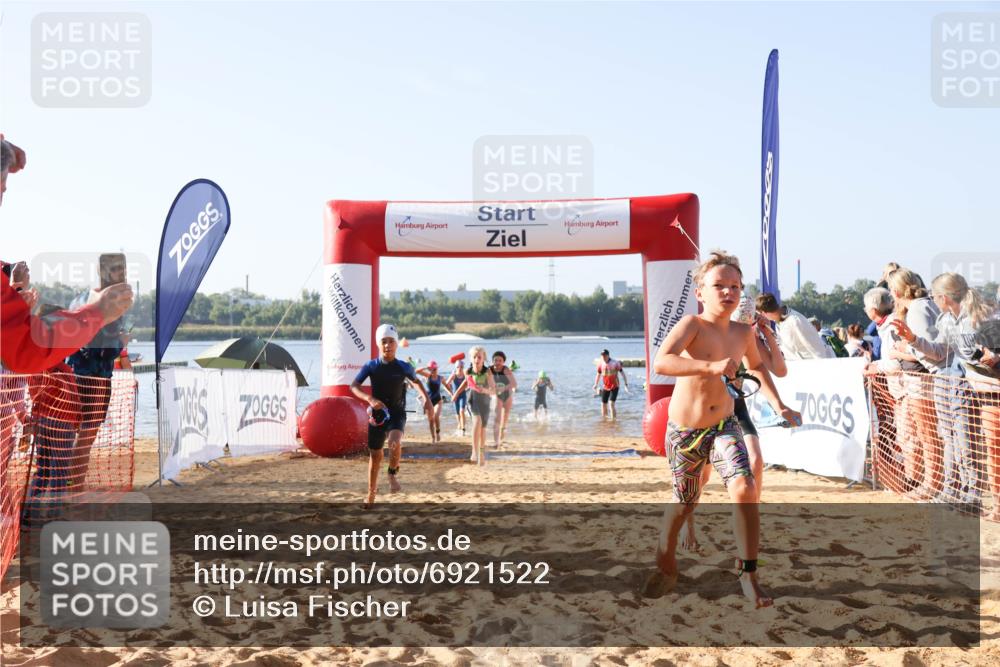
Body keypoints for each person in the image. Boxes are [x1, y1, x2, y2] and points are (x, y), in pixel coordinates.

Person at [645, 251, 800, 609]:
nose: (728, 292)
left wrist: (779, 406)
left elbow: (759, 368)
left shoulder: (743, 332)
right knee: (685, 502)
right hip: (684, 431)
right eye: (719, 286)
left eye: (734, 286)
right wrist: (711, 366)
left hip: (723, 425)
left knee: (745, 486)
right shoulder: (692, 325)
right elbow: (662, 362)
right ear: (701, 291)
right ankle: (665, 550)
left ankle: (749, 575)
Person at [0, 137, 134, 373]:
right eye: (1, 189)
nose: (2, 200)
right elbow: (27, 347)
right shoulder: (85, 301)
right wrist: (97, 313)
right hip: (82, 376)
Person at [682, 295, 788, 551]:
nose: (743, 327)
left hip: (736, 406)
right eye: (741, 322)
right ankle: (688, 523)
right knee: (701, 476)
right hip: (707, 408)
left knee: (756, 461)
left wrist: (767, 334)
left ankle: (751, 520)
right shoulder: (707, 331)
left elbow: (779, 370)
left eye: (748, 322)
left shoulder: (748, 335)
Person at [891, 273, 992, 508]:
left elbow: (974, 354)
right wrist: (914, 339)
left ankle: (972, 493)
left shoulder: (974, 319)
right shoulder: (946, 320)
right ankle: (950, 489)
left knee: (965, 441)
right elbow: (938, 352)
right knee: (948, 440)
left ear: (944, 297)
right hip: (944, 384)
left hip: (963, 385)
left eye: (935, 297)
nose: (932, 301)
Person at [350, 324, 433, 508]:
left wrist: (426, 399)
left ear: (397, 344)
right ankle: (371, 493)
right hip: (377, 415)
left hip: (396, 412)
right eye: (384, 342)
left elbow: (417, 382)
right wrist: (369, 398)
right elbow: (353, 386)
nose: (388, 345)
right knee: (375, 455)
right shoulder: (371, 366)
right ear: (378, 344)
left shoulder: (404, 367)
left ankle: (392, 473)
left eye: (391, 342)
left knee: (394, 442)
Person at [65, 260, 130, 489]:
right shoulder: (109, 305)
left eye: (123, 269)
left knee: (71, 434)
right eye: (117, 269)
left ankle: (67, 484)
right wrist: (122, 342)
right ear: (104, 273)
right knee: (86, 435)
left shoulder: (81, 298)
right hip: (95, 377)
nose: (122, 274)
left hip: (75, 373)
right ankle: (74, 486)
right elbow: (106, 350)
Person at [886, 267, 943, 500]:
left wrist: (903, 349)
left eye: (891, 289)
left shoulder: (918, 310)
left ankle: (933, 484)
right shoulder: (922, 306)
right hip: (927, 379)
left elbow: (930, 350)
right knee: (927, 434)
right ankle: (933, 482)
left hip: (924, 381)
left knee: (928, 434)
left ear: (898, 290)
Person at [451, 346, 496, 466]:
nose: (477, 359)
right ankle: (474, 451)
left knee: (483, 429)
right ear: (471, 359)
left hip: (485, 401)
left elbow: (494, 390)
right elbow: (466, 382)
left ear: (483, 359)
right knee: (477, 421)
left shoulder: (488, 372)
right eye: (474, 357)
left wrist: (485, 390)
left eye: (479, 357)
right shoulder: (468, 371)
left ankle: (481, 454)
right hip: (473, 399)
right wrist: (456, 393)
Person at [755, 293, 834, 360]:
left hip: (814, 368)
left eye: (759, 314)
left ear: (763, 313)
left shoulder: (795, 321)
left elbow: (817, 349)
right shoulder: (778, 323)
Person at [416, 361, 451, 443]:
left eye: (434, 369)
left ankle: (438, 432)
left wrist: (452, 394)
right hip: (429, 400)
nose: (433, 371)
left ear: (437, 369)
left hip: (438, 400)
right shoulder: (428, 376)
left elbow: (446, 386)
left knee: (436, 416)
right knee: (431, 420)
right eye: (431, 369)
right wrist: (426, 368)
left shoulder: (440, 378)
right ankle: (433, 437)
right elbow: (416, 371)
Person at [489, 351, 517, 447]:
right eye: (495, 360)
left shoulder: (506, 370)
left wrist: (503, 388)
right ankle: (496, 442)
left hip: (508, 394)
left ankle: (502, 433)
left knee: (505, 418)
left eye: (500, 360)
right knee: (497, 418)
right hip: (497, 395)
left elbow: (514, 384)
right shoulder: (489, 370)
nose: (497, 362)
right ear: (492, 361)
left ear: (503, 362)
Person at [594, 349, 629, 418]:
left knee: (611, 404)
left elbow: (622, 373)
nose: (603, 357)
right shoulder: (601, 364)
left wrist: (626, 384)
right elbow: (598, 375)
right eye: (602, 356)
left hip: (614, 386)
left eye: (605, 355)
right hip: (605, 387)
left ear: (608, 355)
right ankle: (605, 419)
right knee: (603, 404)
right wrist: (595, 384)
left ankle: (613, 421)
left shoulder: (615, 363)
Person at [863, 287, 895, 362]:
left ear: (874, 311)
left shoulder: (890, 327)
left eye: (866, 308)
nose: (865, 310)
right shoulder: (887, 323)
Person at [445, 360, 468, 435]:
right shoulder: (453, 375)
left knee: (462, 411)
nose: (460, 368)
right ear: (456, 367)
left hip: (463, 396)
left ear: (463, 367)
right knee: (457, 413)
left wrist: (467, 388)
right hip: (455, 397)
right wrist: (451, 394)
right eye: (458, 367)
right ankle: (459, 424)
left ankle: (463, 428)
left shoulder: (465, 376)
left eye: (461, 367)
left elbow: (468, 384)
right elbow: (445, 385)